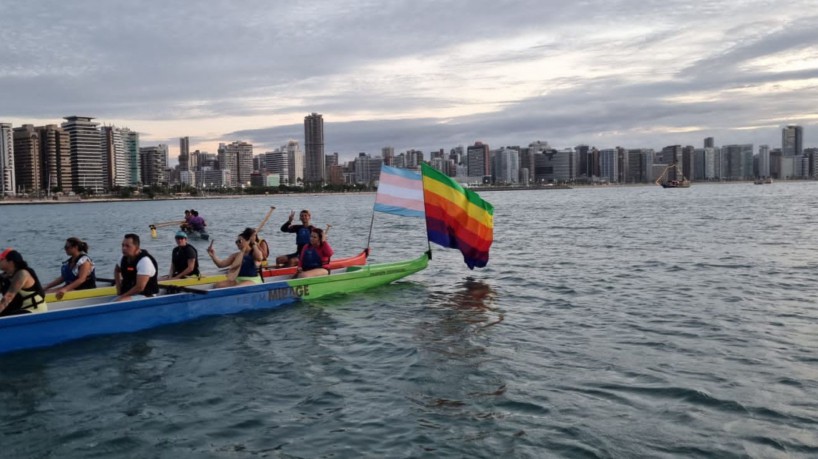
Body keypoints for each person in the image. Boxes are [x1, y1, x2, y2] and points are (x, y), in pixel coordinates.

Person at [0, 248, 48, 316]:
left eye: (1, 259)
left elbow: (8, 297)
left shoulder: (22, 274)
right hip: (19, 309)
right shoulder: (4, 276)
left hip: (34, 310)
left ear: (11, 262)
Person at [114, 233, 159, 301]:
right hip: (130, 294)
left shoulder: (144, 261)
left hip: (146, 296)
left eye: (127, 246)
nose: (124, 248)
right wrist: (118, 289)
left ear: (137, 247)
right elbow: (117, 270)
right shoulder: (122, 258)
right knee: (114, 301)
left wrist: (121, 297)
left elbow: (139, 287)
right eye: (122, 245)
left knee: (119, 301)